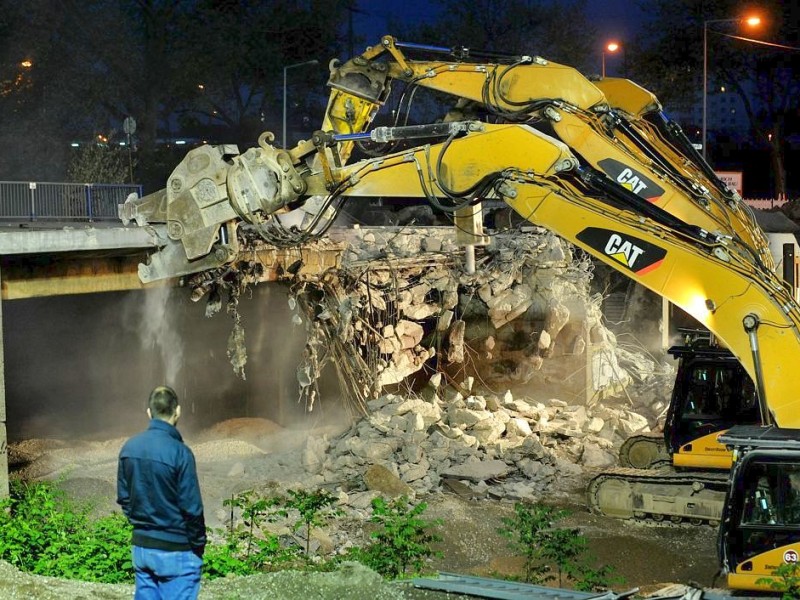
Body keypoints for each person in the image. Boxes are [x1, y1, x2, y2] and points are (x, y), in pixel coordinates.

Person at [117, 386, 206, 599]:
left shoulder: (129, 448)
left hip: (142, 549)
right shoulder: (180, 453)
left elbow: (124, 498)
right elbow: (192, 508)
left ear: (149, 412)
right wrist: (198, 545)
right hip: (177, 550)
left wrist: (143, 526)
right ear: (178, 411)